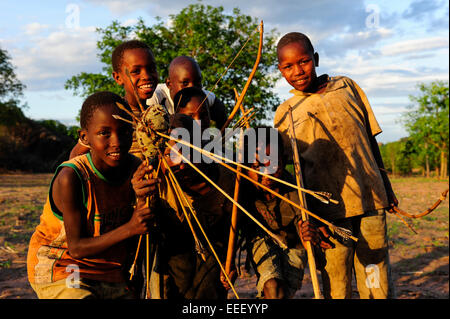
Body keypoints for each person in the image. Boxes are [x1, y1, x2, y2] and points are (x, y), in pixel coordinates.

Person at [273, 32, 398, 299]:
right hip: (327, 216)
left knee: (375, 278)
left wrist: (386, 186)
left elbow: (370, 140)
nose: (298, 71)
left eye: (304, 61)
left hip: (370, 200)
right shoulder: (286, 113)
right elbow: (288, 174)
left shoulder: (347, 87)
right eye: (288, 66)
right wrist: (304, 218)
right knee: (336, 284)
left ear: (315, 59)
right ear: (280, 70)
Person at [27, 91, 159, 299]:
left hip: (109, 271)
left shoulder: (136, 169)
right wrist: (130, 228)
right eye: (104, 133)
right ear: (84, 137)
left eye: (124, 131)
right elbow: (77, 248)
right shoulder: (71, 177)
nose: (116, 142)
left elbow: (142, 231)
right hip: (65, 266)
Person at [135, 114, 239, 299]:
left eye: (188, 151)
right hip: (171, 255)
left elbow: (231, 230)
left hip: (212, 250)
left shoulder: (225, 179)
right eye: (169, 155)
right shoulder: (154, 182)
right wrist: (141, 200)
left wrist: (230, 263)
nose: (181, 163)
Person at [241, 127, 331, 299]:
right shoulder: (240, 188)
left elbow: (319, 261)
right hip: (260, 239)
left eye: (273, 164)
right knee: (272, 287)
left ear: (284, 161)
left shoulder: (297, 193)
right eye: (256, 166)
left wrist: (309, 240)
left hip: (293, 244)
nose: (266, 173)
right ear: (244, 165)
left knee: (281, 294)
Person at [70, 40, 159, 160]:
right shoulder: (113, 115)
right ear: (118, 77)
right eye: (136, 71)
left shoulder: (158, 116)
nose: (146, 76)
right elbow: (75, 157)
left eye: (151, 69)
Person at [146, 56, 227, 129]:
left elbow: (223, 123)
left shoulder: (205, 98)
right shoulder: (155, 97)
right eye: (185, 83)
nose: (192, 87)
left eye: (197, 83)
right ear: (169, 84)